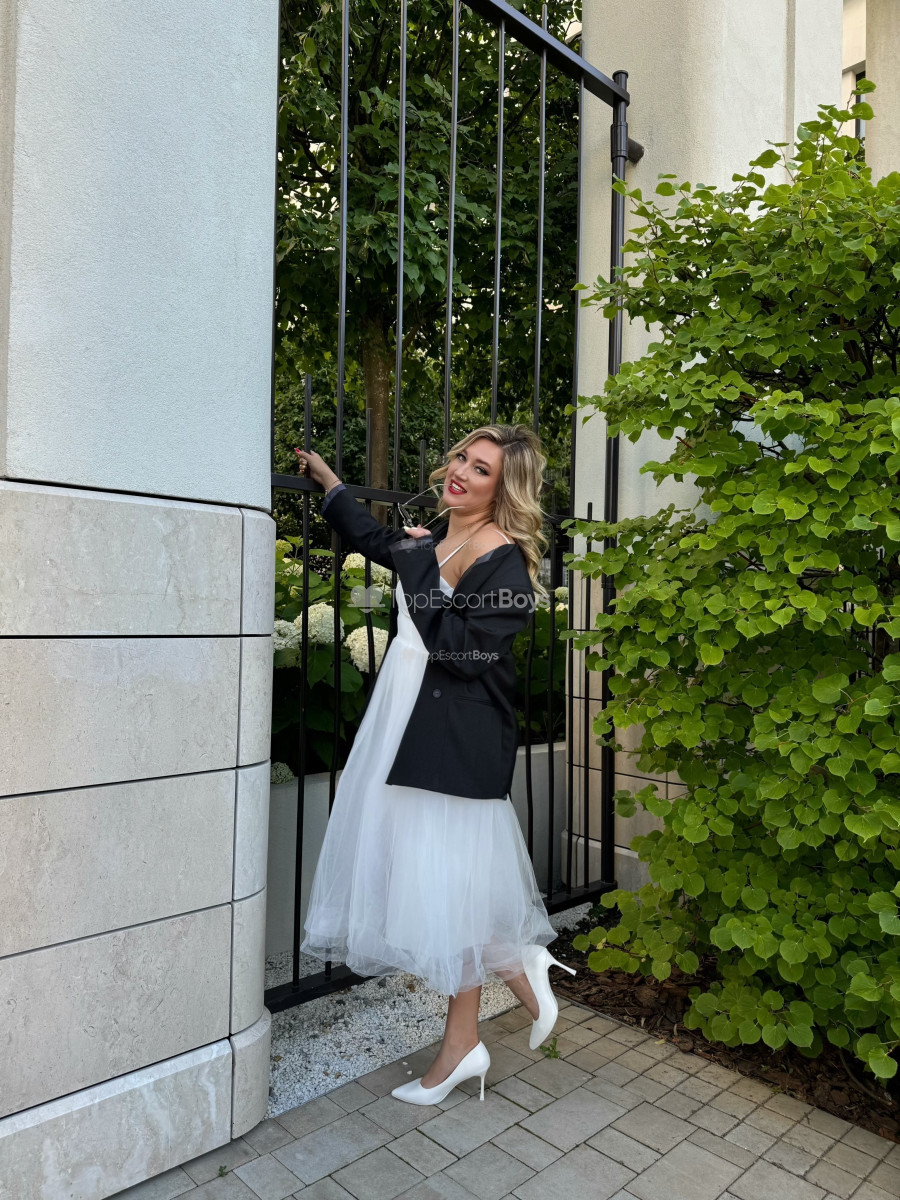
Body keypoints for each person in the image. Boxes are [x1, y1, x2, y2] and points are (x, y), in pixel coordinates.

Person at [294, 424, 575, 1106]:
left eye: (480, 469)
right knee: (437, 883)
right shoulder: (441, 535)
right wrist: (332, 486)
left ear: (501, 490)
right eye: (460, 458)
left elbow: (464, 653)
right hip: (406, 721)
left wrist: (419, 567)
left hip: (452, 737)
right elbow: (374, 540)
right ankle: (499, 991)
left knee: (444, 884)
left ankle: (473, 1029)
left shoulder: (505, 560)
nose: (460, 472)